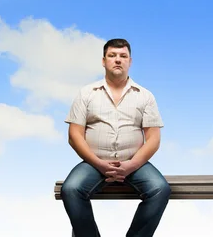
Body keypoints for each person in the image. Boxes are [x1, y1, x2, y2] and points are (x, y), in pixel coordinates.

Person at [60, 38, 170, 237]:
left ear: (130, 61)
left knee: (160, 189)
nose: (118, 60)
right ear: (104, 61)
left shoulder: (145, 96)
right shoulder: (86, 93)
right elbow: (74, 135)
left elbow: (153, 138)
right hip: (93, 162)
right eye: (112, 56)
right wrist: (99, 164)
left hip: (134, 162)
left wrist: (132, 165)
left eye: (123, 56)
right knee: (71, 189)